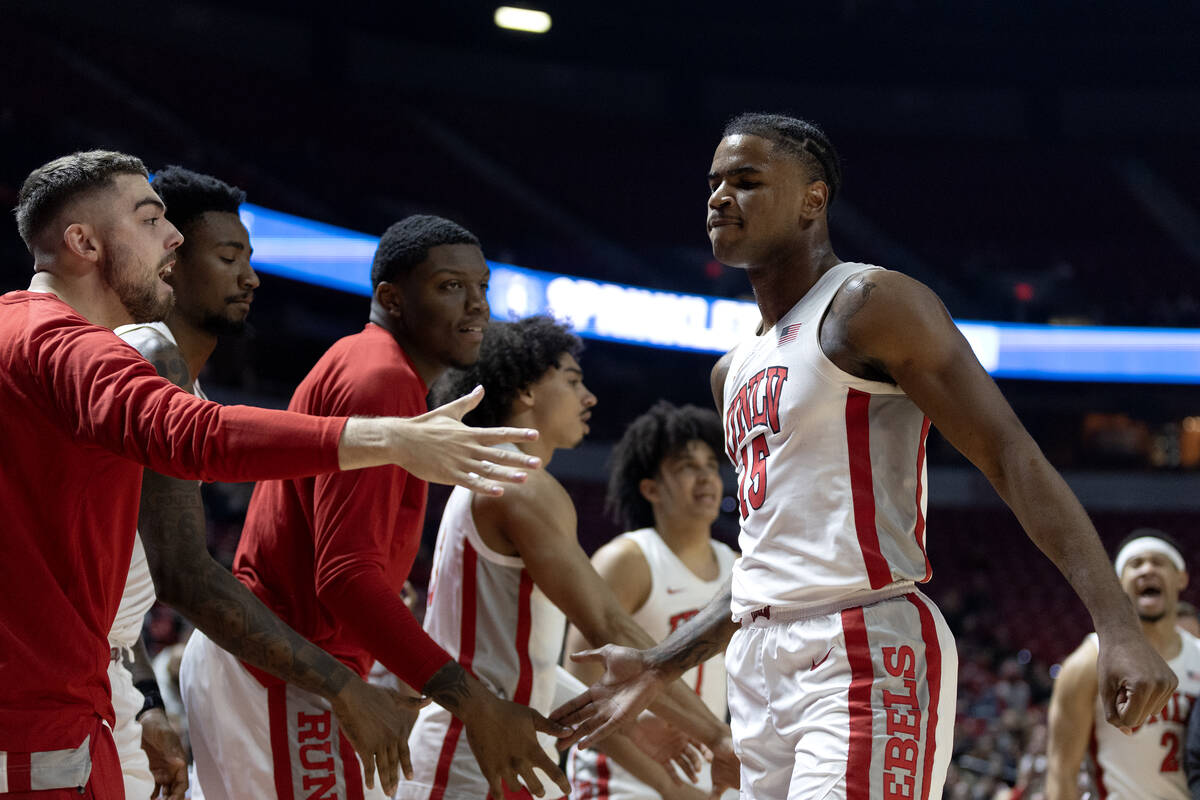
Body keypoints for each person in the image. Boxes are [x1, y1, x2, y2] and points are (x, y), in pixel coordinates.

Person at [551, 113, 1177, 799]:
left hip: (861, 643)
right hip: (757, 665)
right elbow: (769, 562)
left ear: (813, 200)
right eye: (714, 183)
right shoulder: (730, 370)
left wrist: (1114, 624)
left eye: (748, 180)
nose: (720, 197)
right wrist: (658, 663)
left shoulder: (871, 303)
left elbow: (1009, 454)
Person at [0, 150, 541, 800]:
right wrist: (387, 439)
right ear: (83, 242)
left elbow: (117, 579)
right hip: (52, 698)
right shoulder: (84, 348)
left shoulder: (42, 337)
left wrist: (140, 698)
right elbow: (194, 480)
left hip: (95, 681)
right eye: (149, 221)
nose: (170, 237)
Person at [181, 221, 572, 800]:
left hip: (276, 660)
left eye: (481, 286)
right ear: (391, 297)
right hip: (284, 667)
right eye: (449, 287)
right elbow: (343, 579)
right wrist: (478, 708)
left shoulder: (374, 367)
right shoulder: (381, 379)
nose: (476, 306)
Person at [114, 165, 449, 800]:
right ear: (170, 261)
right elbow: (181, 573)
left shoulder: (185, 385)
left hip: (142, 669)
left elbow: (120, 580)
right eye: (227, 256)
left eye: (249, 256)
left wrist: (144, 697)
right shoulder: (145, 361)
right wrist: (342, 683)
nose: (251, 276)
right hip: (242, 667)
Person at [398, 317, 735, 800]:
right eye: (573, 381)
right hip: (467, 758)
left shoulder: (499, 475)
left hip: (497, 750)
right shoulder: (519, 484)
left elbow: (525, 666)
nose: (590, 397)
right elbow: (608, 626)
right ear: (525, 391)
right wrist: (717, 736)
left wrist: (631, 726)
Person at [565, 400, 738, 799]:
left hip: (705, 777)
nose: (705, 477)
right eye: (686, 467)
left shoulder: (740, 569)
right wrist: (667, 786)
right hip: (623, 777)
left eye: (711, 465)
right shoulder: (627, 560)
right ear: (650, 488)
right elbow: (580, 691)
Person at [1047, 530, 1200, 800]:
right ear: (1118, 583)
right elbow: (1062, 772)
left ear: (1182, 578)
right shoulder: (1088, 661)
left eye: (1159, 562)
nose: (1147, 570)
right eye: (1136, 564)